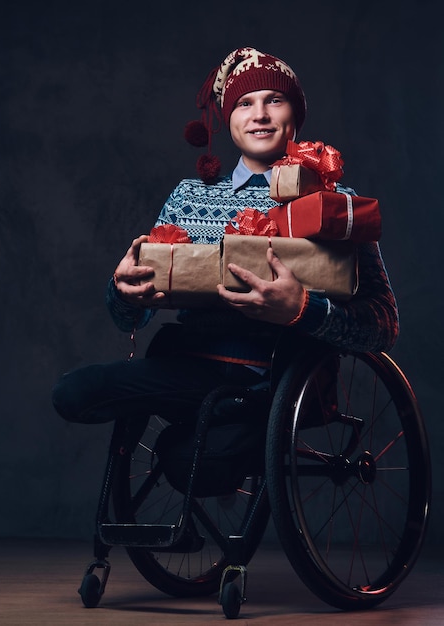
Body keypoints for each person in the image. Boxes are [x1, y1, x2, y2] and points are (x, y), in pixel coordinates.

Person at [52, 46, 399, 428]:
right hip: (190, 369)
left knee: (200, 459)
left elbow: (382, 324)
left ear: (295, 114)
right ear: (228, 118)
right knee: (75, 392)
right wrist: (124, 292)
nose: (260, 115)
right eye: (244, 103)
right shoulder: (189, 197)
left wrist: (303, 309)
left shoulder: (336, 204)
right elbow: (128, 317)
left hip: (278, 378)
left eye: (275, 100)